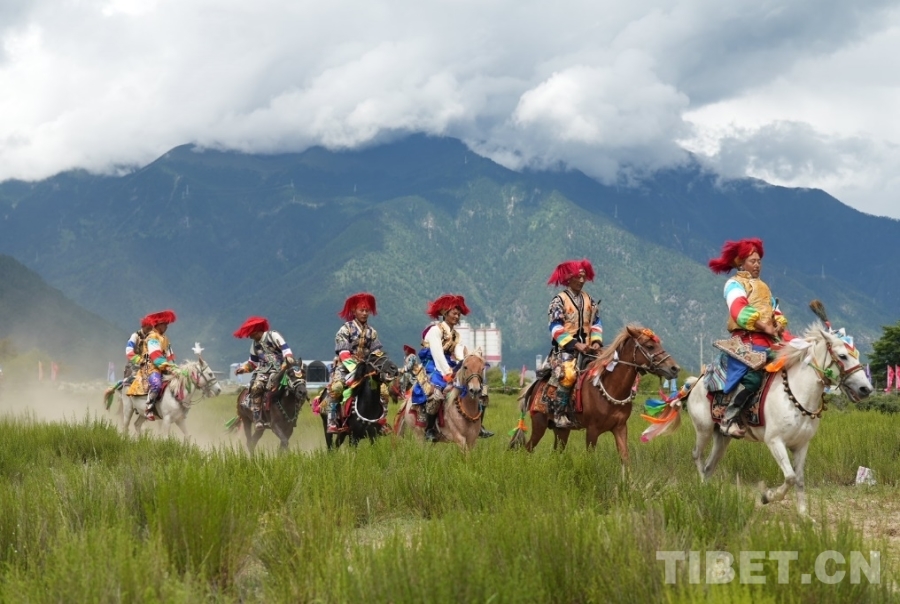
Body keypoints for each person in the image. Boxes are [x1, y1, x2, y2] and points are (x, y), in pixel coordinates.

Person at [708, 238, 791, 438]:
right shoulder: (734, 284)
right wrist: (764, 326)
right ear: (741, 263)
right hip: (746, 342)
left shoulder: (764, 287)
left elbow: (775, 311)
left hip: (769, 341)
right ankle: (729, 417)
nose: (757, 265)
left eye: (759, 261)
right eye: (753, 261)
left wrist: (778, 324)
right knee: (754, 378)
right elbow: (739, 309)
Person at [543, 259, 603, 429]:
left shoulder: (590, 300)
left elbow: (596, 323)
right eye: (578, 276)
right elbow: (555, 327)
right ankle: (559, 413)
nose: (582, 280)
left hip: (589, 349)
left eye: (584, 276)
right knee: (568, 375)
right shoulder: (558, 301)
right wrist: (576, 344)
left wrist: (596, 341)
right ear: (569, 278)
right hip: (565, 351)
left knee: (610, 366)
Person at [323, 293, 384, 434]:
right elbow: (343, 352)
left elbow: (376, 353)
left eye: (367, 310)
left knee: (383, 391)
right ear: (354, 311)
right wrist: (355, 368)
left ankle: (381, 420)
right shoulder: (345, 329)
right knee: (336, 388)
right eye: (361, 310)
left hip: (366, 370)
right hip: (346, 368)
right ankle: (332, 421)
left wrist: (379, 365)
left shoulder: (372, 332)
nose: (365, 313)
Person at [418, 294, 472, 442]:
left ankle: (476, 424)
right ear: (445, 313)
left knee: (473, 387)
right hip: (432, 365)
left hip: (448, 364)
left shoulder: (456, 335)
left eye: (458, 314)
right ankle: (429, 428)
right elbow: (437, 354)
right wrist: (448, 373)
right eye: (454, 313)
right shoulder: (435, 330)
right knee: (437, 392)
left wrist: (465, 362)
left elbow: (458, 354)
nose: (457, 316)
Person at [233, 316, 297, 429]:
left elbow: (286, 350)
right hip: (263, 372)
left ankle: (294, 412)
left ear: (257, 331)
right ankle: (258, 418)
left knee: (297, 386)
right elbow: (252, 363)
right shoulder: (254, 345)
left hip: (281, 369)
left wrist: (287, 359)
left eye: (251, 333)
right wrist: (243, 369)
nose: (250, 336)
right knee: (256, 387)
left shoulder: (273, 336)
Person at [126, 310, 177, 420]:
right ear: (158, 325)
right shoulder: (151, 337)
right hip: (150, 367)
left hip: (163, 367)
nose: (167, 326)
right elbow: (155, 355)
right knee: (156, 383)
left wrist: (174, 368)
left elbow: (170, 356)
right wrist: (139, 360)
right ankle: (148, 408)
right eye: (165, 324)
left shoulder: (165, 339)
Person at [123, 316, 152, 389]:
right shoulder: (135, 336)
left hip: (148, 365)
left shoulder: (153, 338)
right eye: (147, 328)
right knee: (131, 381)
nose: (149, 331)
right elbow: (129, 351)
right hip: (134, 364)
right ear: (143, 327)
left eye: (151, 329)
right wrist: (140, 360)